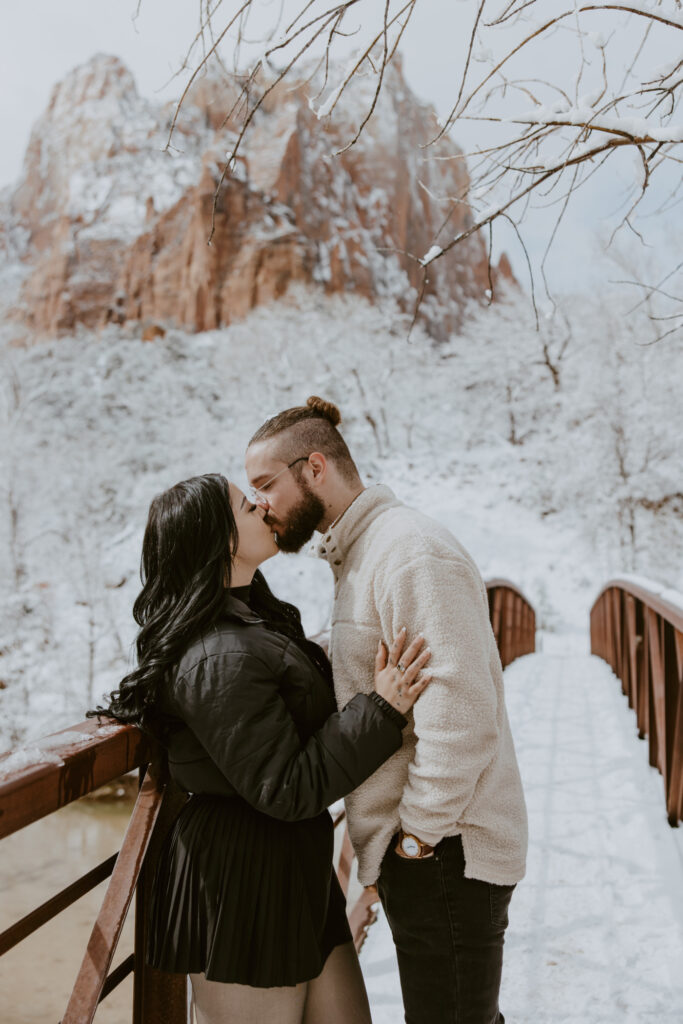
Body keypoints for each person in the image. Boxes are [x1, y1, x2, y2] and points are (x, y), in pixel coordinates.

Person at [89, 472, 432, 1024]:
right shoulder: (217, 654)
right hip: (240, 880)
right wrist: (381, 710)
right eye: (249, 507)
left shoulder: (250, 620)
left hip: (291, 865)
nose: (266, 510)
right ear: (221, 540)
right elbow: (285, 785)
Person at [245, 397, 529, 1024]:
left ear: (314, 466)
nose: (259, 502)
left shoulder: (408, 551)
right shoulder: (364, 550)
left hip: (449, 850)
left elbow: (462, 715)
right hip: (430, 852)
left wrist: (415, 840)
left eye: (266, 484)